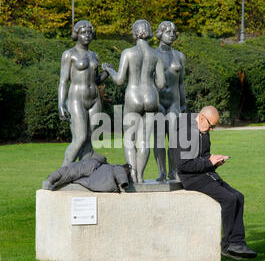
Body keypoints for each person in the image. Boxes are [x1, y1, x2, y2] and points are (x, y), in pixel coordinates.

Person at [175, 106, 257, 260]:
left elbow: (204, 156)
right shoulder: (185, 133)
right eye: (211, 125)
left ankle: (238, 242)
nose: (212, 130)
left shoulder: (204, 132)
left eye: (214, 127)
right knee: (229, 199)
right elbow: (183, 165)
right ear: (201, 118)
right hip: (192, 179)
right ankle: (227, 246)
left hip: (207, 174)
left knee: (239, 196)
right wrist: (209, 163)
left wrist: (215, 162)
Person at [102, 20, 165, 183]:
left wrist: (109, 70)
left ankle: (132, 176)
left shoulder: (128, 53)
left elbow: (119, 80)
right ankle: (141, 177)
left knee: (129, 140)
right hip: (151, 96)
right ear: (149, 33)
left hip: (133, 95)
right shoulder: (156, 55)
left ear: (134, 33)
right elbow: (161, 84)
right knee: (145, 141)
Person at [58, 20, 107, 167]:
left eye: (89, 32)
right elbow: (63, 81)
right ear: (77, 34)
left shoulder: (94, 56)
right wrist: (60, 104)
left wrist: (106, 73)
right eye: (83, 33)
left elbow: (95, 80)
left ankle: (84, 172)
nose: (87, 36)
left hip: (94, 99)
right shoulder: (69, 54)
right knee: (80, 138)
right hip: (76, 99)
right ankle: (61, 174)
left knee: (90, 137)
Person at [153, 21, 187, 182]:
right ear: (160, 34)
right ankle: (161, 171)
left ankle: (174, 171)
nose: (172, 34)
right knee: (159, 139)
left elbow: (181, 83)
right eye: (168, 31)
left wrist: (183, 103)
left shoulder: (180, 56)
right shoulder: (152, 55)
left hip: (174, 102)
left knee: (174, 139)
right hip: (157, 101)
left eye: (174, 31)